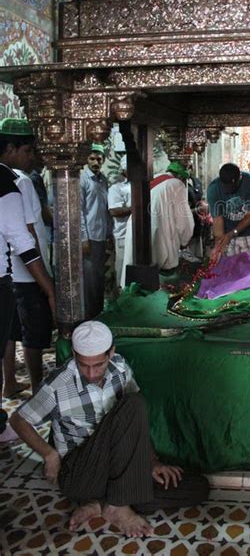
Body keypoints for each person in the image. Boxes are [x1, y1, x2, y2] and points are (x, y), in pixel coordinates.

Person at [10, 320, 209, 537]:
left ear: (111, 352)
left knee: (196, 486)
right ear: (75, 355)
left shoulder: (120, 367)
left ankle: (103, 504)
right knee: (134, 403)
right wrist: (49, 455)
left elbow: (134, 425)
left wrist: (152, 461)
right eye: (84, 364)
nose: (92, 373)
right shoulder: (57, 384)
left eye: (98, 365)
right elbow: (18, 420)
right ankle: (119, 505)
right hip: (81, 474)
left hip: (115, 469)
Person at [0, 117, 55, 441]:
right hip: (15, 276)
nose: (32, 157)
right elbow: (25, 237)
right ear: (10, 148)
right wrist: (47, 284)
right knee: (32, 334)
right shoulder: (12, 182)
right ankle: (38, 395)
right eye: (28, 150)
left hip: (10, 276)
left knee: (8, 334)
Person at [121, 160, 194, 282]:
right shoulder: (177, 184)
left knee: (137, 279)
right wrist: (185, 240)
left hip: (136, 232)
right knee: (158, 280)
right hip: (158, 235)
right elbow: (184, 222)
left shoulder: (153, 178)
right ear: (181, 177)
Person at [80, 144, 113, 319]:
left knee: (99, 278)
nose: (95, 162)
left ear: (103, 160)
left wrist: (109, 234)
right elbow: (79, 211)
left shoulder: (103, 180)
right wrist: (83, 238)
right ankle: (89, 317)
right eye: (92, 158)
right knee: (90, 280)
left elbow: (105, 210)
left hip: (101, 236)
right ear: (86, 159)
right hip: (89, 237)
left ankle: (99, 315)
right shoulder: (83, 180)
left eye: (99, 158)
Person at [207, 163, 250, 261]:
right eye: (226, 187)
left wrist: (232, 233)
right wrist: (218, 246)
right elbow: (217, 220)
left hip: (249, 234)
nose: (229, 190)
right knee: (229, 269)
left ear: (240, 177)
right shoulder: (213, 188)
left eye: (233, 186)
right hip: (227, 235)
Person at [107, 155, 131, 288]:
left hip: (140, 238)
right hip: (123, 236)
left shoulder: (145, 187)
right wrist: (137, 208)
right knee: (123, 272)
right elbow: (114, 211)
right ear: (123, 171)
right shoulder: (116, 189)